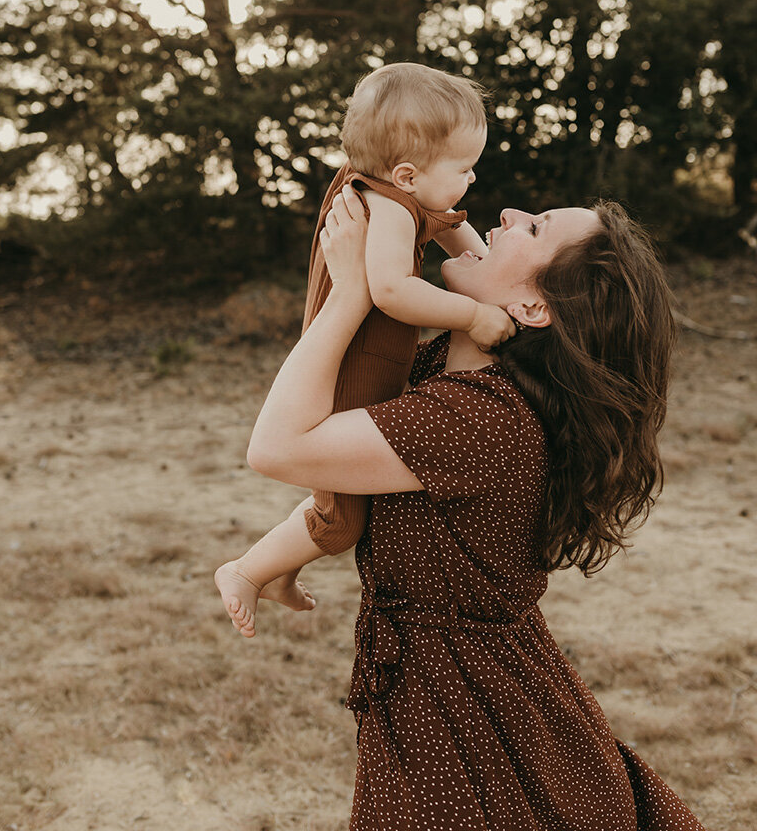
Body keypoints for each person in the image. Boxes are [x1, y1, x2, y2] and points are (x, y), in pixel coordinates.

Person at [233, 186, 707, 830]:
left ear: (531, 306)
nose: (507, 214)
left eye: (534, 228)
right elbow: (350, 484)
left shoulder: (477, 420)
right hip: (461, 683)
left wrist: (347, 294)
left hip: (463, 701)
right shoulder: (458, 377)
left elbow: (277, 448)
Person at [216, 63, 515, 637]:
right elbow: (393, 291)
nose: (473, 181)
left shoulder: (390, 185)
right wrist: (476, 313)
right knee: (345, 515)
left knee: (343, 490)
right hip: (356, 362)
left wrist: (490, 272)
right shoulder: (391, 210)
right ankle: (247, 571)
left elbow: (457, 233)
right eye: (465, 168)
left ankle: (277, 571)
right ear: (407, 173)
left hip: (367, 351)